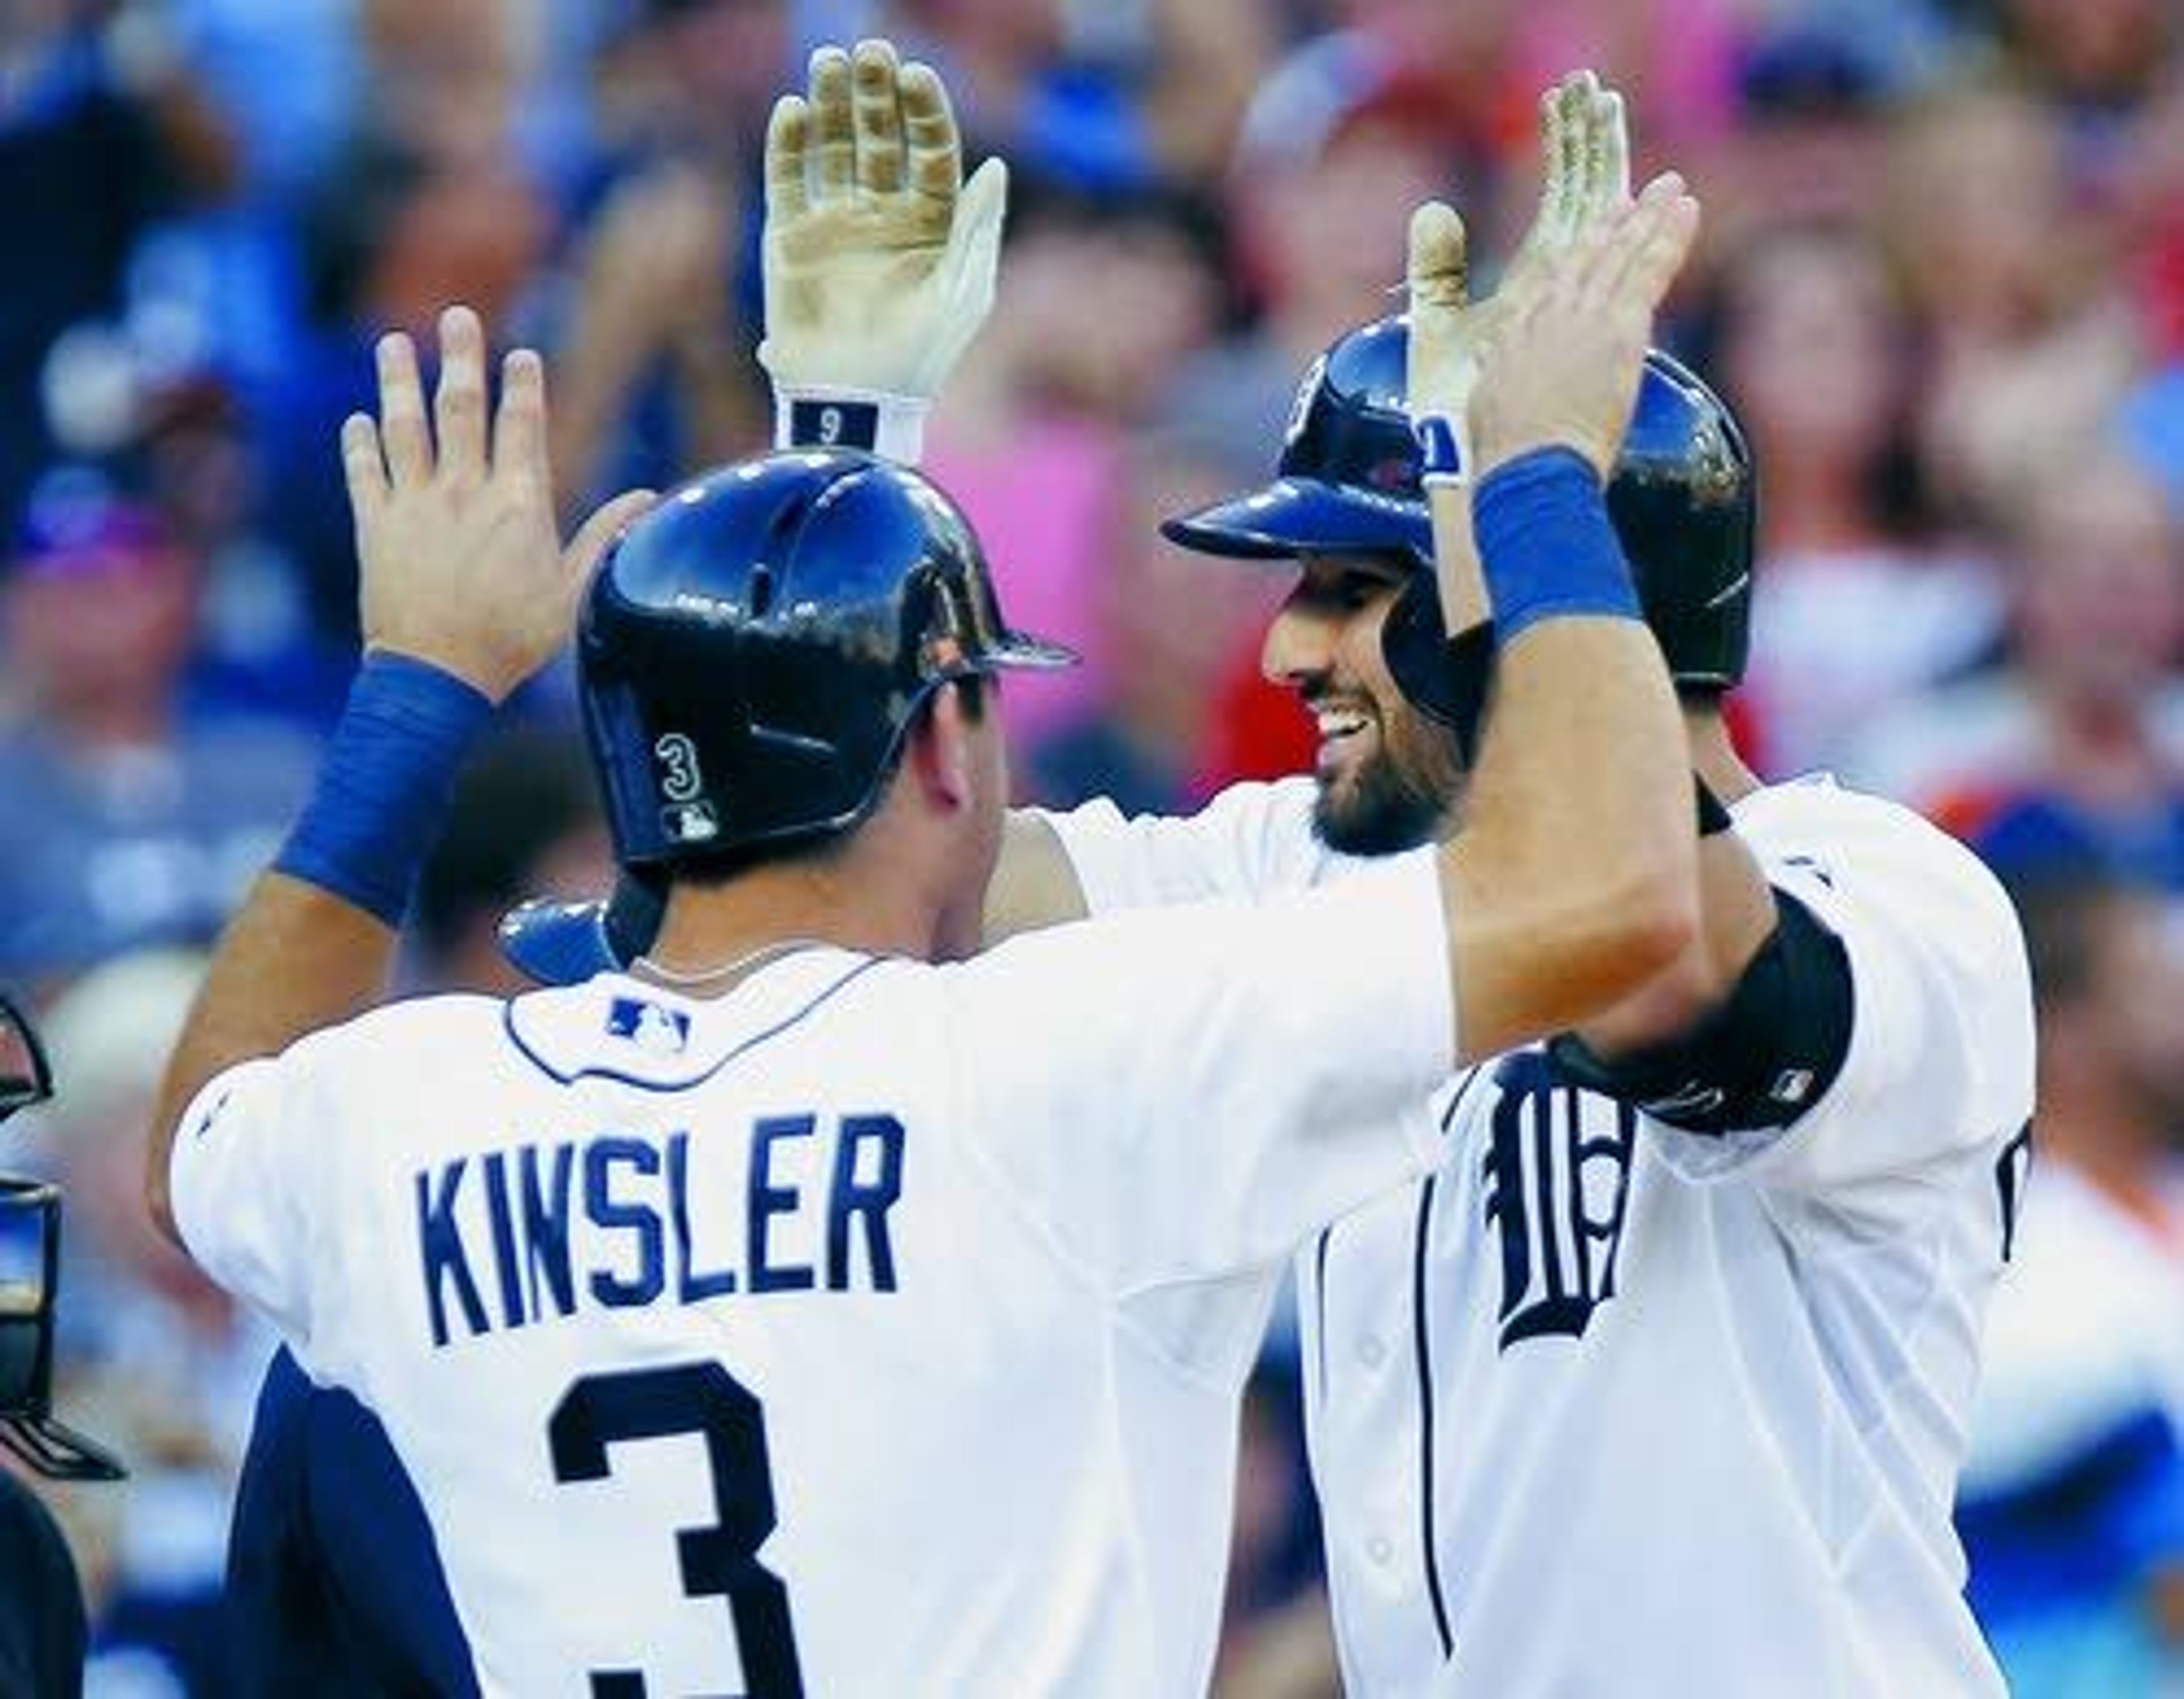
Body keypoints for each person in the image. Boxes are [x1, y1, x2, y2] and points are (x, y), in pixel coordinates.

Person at [520, 53, 2036, 1694]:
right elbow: (847, 908)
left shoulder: (1895, 893)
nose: (1290, 645)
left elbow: (1658, 953)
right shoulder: (1305, 876)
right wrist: (846, 460)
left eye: (1353, 584)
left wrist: (1526, 507)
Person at [145, 121, 1715, 1697]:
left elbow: (204, 1130)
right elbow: (1617, 893)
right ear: (952, 743)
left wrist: (417, 691)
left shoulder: (420, 1109)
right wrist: (1535, 482)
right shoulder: (1060, 1064)